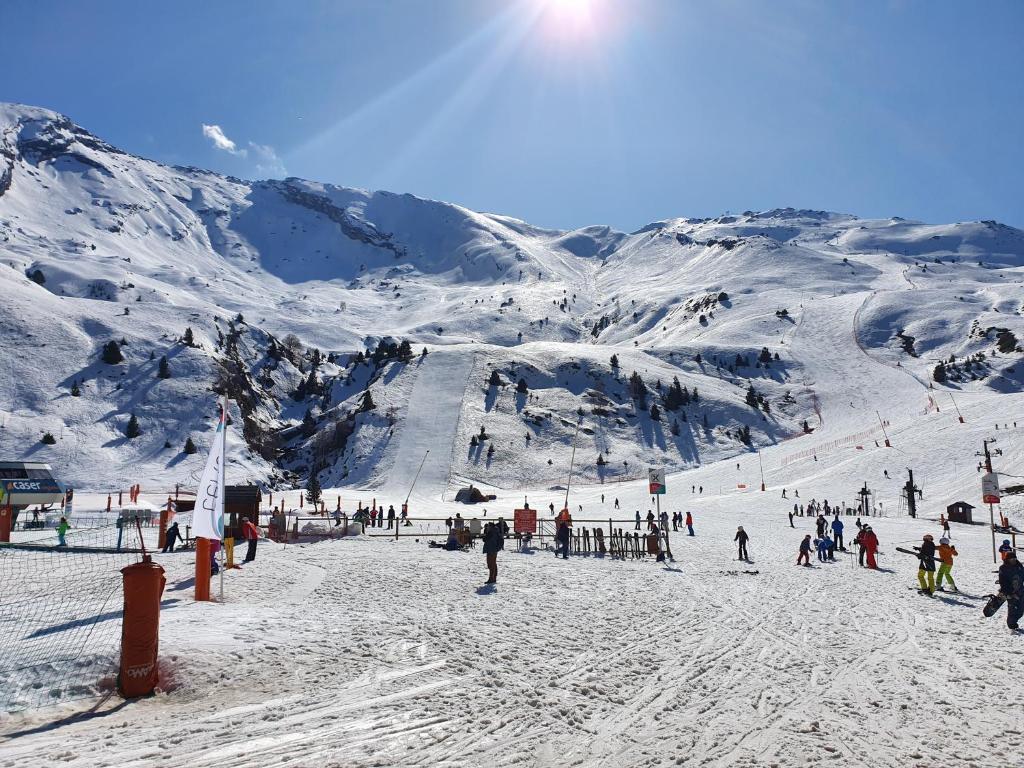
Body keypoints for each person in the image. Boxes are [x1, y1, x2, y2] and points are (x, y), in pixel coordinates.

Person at [997, 550, 1024, 630]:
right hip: (1010, 592)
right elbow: (1003, 582)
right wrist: (1009, 593)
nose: (1013, 560)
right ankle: (1011, 624)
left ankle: (1014, 621)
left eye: (1014, 558)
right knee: (1012, 609)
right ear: (1007, 559)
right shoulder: (1003, 568)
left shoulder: (1019, 566)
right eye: (1011, 559)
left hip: (1020, 591)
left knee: (1020, 610)